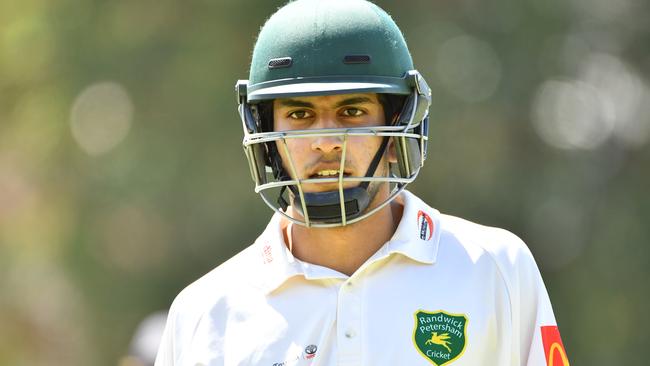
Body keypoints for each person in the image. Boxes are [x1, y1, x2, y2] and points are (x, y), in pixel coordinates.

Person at [155, 0, 569, 365]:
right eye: (299, 115)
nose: (325, 142)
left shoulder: (494, 268)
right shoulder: (205, 314)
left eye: (352, 111)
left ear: (397, 127)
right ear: (265, 135)